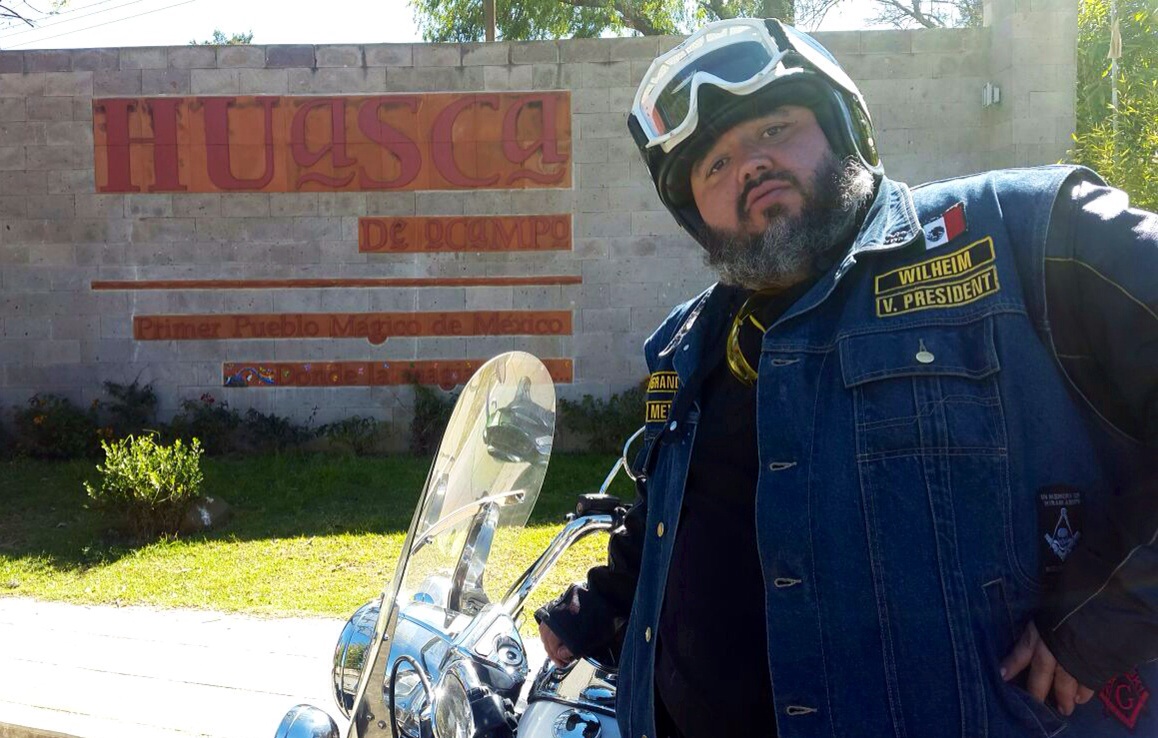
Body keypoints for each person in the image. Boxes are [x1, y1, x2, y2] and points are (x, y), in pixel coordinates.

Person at [535, 17, 1158, 738]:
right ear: (693, 213)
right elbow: (674, 511)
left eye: (774, 129)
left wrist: (1106, 614)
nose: (749, 166)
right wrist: (603, 602)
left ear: (842, 128)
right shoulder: (683, 342)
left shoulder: (1028, 233)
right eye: (715, 165)